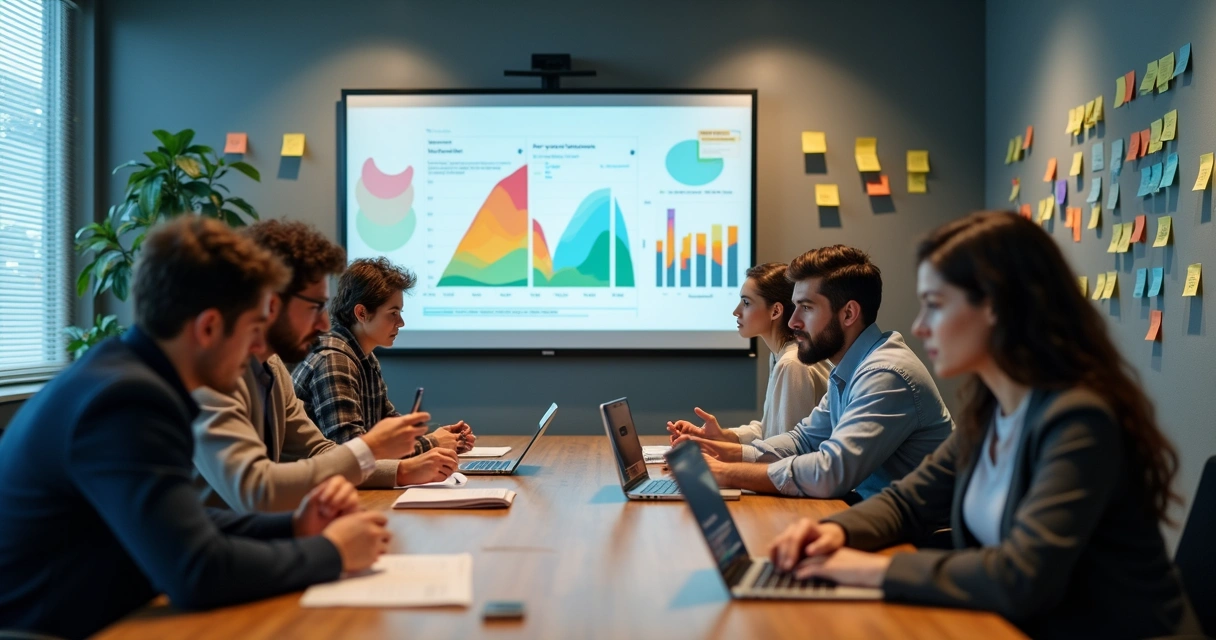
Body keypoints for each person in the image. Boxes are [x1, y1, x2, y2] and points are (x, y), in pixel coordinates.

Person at [767, 212, 1199, 639]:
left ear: (995, 307)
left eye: (934, 306)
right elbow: (907, 503)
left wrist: (866, 568)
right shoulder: (993, 411)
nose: (919, 326)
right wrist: (829, 532)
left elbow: (1021, 576)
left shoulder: (1078, 421)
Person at [0, 217, 390, 639]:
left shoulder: (127, 375)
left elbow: (186, 520)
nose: (260, 348)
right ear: (207, 328)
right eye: (253, 330)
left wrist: (295, 526)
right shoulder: (126, 401)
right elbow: (196, 571)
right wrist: (331, 552)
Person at [192, 220, 461, 513]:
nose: (323, 324)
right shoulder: (210, 376)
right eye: (314, 306)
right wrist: (376, 449)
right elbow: (257, 490)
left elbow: (320, 451)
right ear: (270, 302)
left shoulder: (272, 367)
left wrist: (401, 472)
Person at [669, 245, 953, 499]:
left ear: (848, 314)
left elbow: (830, 472)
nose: (792, 322)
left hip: (916, 537)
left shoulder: (885, 375)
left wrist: (726, 472)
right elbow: (804, 440)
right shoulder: (849, 369)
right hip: (874, 511)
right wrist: (724, 452)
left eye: (806, 308)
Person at [293, 257, 476, 452]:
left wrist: (442, 438)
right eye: (393, 313)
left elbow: (391, 429)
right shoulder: (334, 361)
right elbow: (351, 452)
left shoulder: (365, 357)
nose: (401, 322)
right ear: (362, 313)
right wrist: (433, 443)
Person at [666, 263, 830, 445]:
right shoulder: (780, 356)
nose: (736, 311)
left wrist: (718, 453)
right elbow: (770, 430)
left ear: (775, 311)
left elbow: (787, 451)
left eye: (746, 303)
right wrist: (718, 435)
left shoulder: (792, 364)